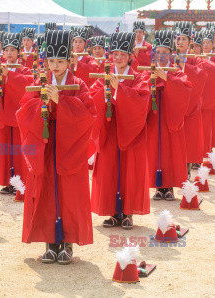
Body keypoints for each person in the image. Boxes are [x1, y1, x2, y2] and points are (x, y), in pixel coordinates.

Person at [17, 29, 96, 264]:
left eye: (60, 61)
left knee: (70, 193)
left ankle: (68, 243)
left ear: (69, 60)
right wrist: (41, 105)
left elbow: (89, 115)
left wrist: (62, 102)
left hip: (70, 146)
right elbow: (22, 110)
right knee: (45, 192)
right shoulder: (39, 81)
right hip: (44, 144)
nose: (55, 65)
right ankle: (50, 243)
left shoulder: (78, 84)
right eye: (51, 61)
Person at [90, 32, 150, 229]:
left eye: (123, 54)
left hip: (130, 132)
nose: (119, 58)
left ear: (130, 56)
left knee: (129, 170)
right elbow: (92, 97)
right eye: (115, 54)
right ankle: (113, 212)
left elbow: (142, 101)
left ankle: (128, 212)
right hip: (110, 130)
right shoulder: (104, 76)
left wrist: (120, 91)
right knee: (110, 168)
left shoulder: (139, 77)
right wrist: (106, 92)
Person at [147, 30, 192, 201]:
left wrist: (166, 77)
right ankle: (158, 188)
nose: (162, 55)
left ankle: (170, 187)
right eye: (159, 52)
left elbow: (185, 87)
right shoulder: (149, 70)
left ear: (171, 54)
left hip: (170, 118)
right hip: (154, 116)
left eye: (166, 52)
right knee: (154, 148)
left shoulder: (176, 70)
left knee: (170, 150)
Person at [0, 33, 33, 199]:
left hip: (17, 115)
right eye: (6, 50)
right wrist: (0, 76)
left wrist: (11, 76)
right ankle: (8, 182)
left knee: (18, 149)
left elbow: (27, 85)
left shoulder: (25, 70)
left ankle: (19, 181)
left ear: (19, 53)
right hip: (3, 114)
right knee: (5, 149)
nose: (9, 53)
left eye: (12, 50)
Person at [174, 21, 207, 173]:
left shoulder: (196, 60)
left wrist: (185, 65)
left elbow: (200, 77)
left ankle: (186, 171)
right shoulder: (167, 57)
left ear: (190, 42)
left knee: (188, 140)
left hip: (191, 107)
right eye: (178, 39)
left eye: (184, 39)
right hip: (173, 107)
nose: (180, 42)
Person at [192, 31, 215, 158]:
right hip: (199, 96)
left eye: (208, 42)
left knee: (209, 128)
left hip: (212, 98)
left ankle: (207, 154)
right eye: (204, 42)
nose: (205, 45)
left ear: (213, 44)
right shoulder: (197, 57)